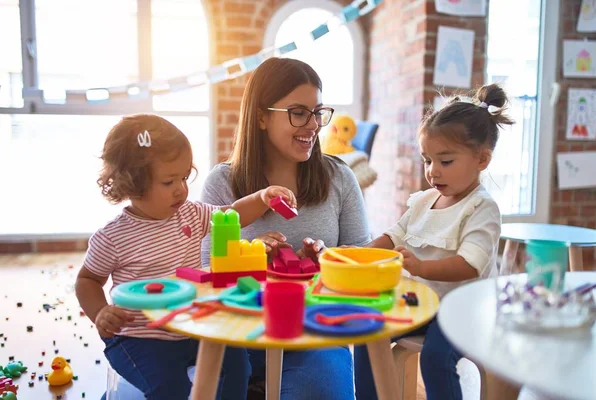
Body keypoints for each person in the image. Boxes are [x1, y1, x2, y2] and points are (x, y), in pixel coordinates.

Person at [75, 114, 296, 400]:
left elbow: (232, 215)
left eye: (183, 177)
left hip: (191, 325)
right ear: (132, 183)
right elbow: (87, 280)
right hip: (138, 337)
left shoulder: (190, 213)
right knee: (171, 389)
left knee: (238, 364)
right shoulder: (112, 237)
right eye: (169, 181)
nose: (181, 188)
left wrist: (262, 197)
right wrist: (100, 312)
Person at [200, 57, 371, 399]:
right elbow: (206, 272)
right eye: (298, 112)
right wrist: (250, 259)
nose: (312, 126)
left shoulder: (340, 178)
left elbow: (360, 260)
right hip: (239, 334)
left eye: (317, 112)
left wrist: (326, 260)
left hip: (313, 334)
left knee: (323, 389)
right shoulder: (222, 183)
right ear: (261, 116)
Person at [354, 84, 514, 400]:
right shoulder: (424, 200)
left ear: (482, 159)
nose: (432, 171)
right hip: (421, 303)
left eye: (445, 161)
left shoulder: (482, 209)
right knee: (366, 335)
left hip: (462, 310)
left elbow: (469, 266)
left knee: (435, 358)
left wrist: (422, 266)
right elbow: (393, 235)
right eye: (427, 160)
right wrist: (356, 254)